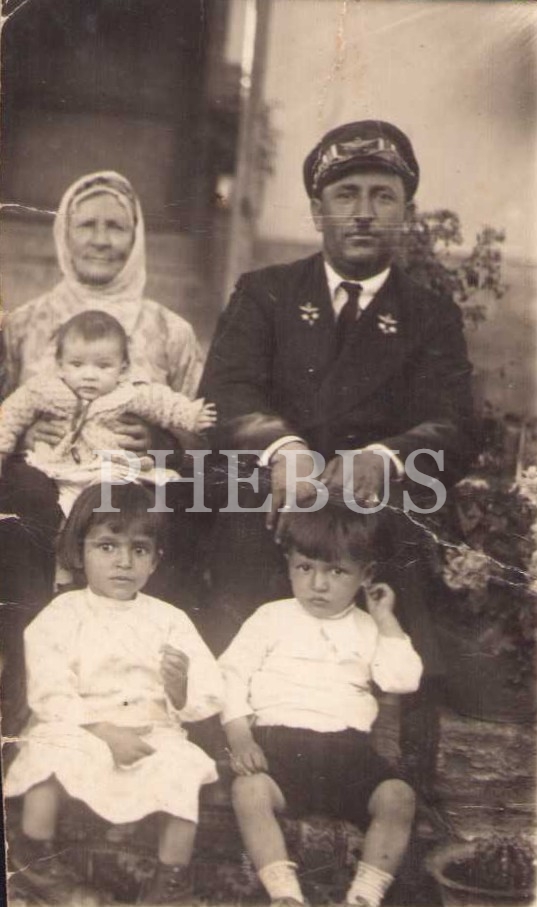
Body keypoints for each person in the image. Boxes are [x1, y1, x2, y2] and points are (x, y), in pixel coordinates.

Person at [200, 120, 478, 787]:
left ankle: (399, 757)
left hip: (376, 502)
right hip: (274, 493)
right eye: (345, 194)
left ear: (405, 212)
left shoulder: (429, 314)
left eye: (383, 196)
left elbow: (453, 425)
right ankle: (222, 736)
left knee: (406, 542)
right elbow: (224, 394)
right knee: (233, 526)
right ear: (316, 209)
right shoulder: (266, 292)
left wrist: (384, 456)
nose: (363, 212)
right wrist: (281, 448)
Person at [5, 482, 223, 906]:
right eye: (107, 546)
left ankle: (169, 880)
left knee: (182, 766)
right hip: (81, 725)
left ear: (155, 560)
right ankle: (35, 860)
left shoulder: (170, 619)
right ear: (79, 552)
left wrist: (179, 687)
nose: (124, 562)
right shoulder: (63, 613)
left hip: (150, 730)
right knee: (48, 749)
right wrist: (102, 731)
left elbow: (209, 690)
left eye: (139, 550)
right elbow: (50, 689)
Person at [0, 169, 204, 609]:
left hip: (135, 487)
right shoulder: (21, 324)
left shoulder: (172, 330)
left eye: (115, 227)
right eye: (86, 225)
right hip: (39, 487)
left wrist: (163, 443)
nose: (100, 240)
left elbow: (203, 431)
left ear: (136, 237)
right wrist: (24, 437)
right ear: (64, 233)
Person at [219, 505, 422, 907]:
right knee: (248, 791)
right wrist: (240, 736)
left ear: (366, 575)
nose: (318, 585)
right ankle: (285, 893)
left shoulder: (369, 628)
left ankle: (364, 896)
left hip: (349, 753)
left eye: (337, 572)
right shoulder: (270, 618)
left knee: (398, 797)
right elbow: (230, 675)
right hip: (278, 747)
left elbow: (402, 679)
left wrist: (385, 619)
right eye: (305, 568)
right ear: (289, 565)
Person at [0, 310, 216, 516]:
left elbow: (163, 403)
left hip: (110, 468)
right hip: (61, 468)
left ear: (122, 369)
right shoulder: (45, 390)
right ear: (60, 365)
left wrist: (191, 415)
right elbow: (11, 414)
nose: (89, 375)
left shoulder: (128, 394)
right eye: (77, 364)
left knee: (118, 501)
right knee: (56, 506)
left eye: (103, 367)